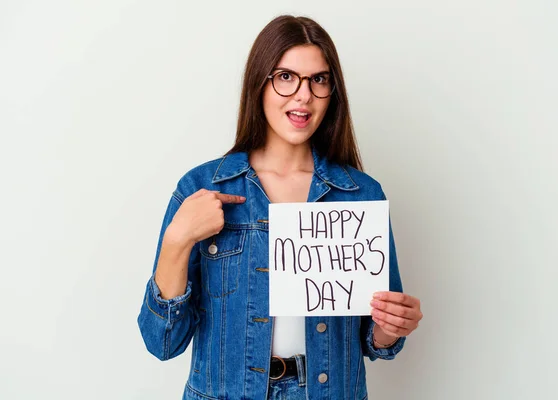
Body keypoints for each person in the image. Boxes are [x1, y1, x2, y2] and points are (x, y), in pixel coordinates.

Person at [137, 14, 423, 400]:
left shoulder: (361, 195)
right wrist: (177, 240)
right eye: (286, 77)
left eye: (318, 79)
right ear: (260, 83)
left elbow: (376, 339)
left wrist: (390, 328)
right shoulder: (200, 189)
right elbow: (163, 342)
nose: (303, 95)